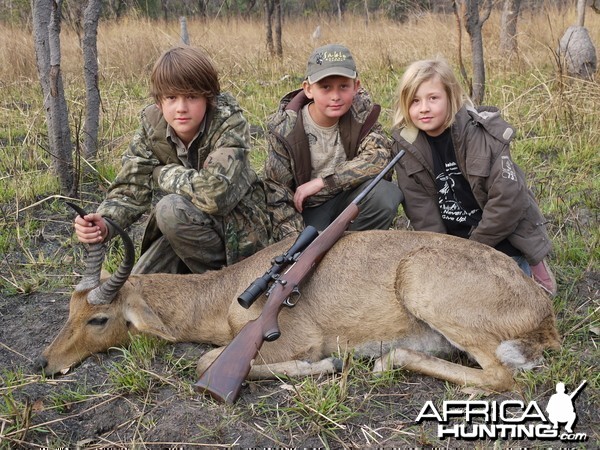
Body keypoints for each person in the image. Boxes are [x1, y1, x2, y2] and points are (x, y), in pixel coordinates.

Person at [74, 46, 271, 274]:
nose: (181, 108)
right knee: (138, 287)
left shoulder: (229, 123)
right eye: (171, 97)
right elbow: (130, 190)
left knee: (169, 210)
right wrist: (105, 224)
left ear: (208, 98)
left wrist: (162, 173)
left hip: (240, 230)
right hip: (187, 229)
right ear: (159, 102)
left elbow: (214, 195)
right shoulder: (153, 128)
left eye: (191, 96)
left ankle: (224, 285)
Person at [391, 58, 557, 296]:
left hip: (499, 232)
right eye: (415, 101)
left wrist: (476, 247)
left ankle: (533, 262)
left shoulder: (483, 134)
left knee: (523, 297)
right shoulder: (406, 148)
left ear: (451, 96)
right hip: (455, 239)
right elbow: (420, 209)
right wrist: (446, 253)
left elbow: (508, 200)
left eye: (433, 98)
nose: (424, 108)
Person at [264, 43, 403, 242]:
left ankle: (357, 251)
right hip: (308, 213)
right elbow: (277, 196)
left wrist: (324, 182)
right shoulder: (285, 129)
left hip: (349, 200)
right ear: (308, 89)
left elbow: (379, 158)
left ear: (356, 86)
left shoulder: (361, 113)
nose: (335, 96)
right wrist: (295, 243)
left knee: (385, 194)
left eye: (343, 86)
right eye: (325, 87)